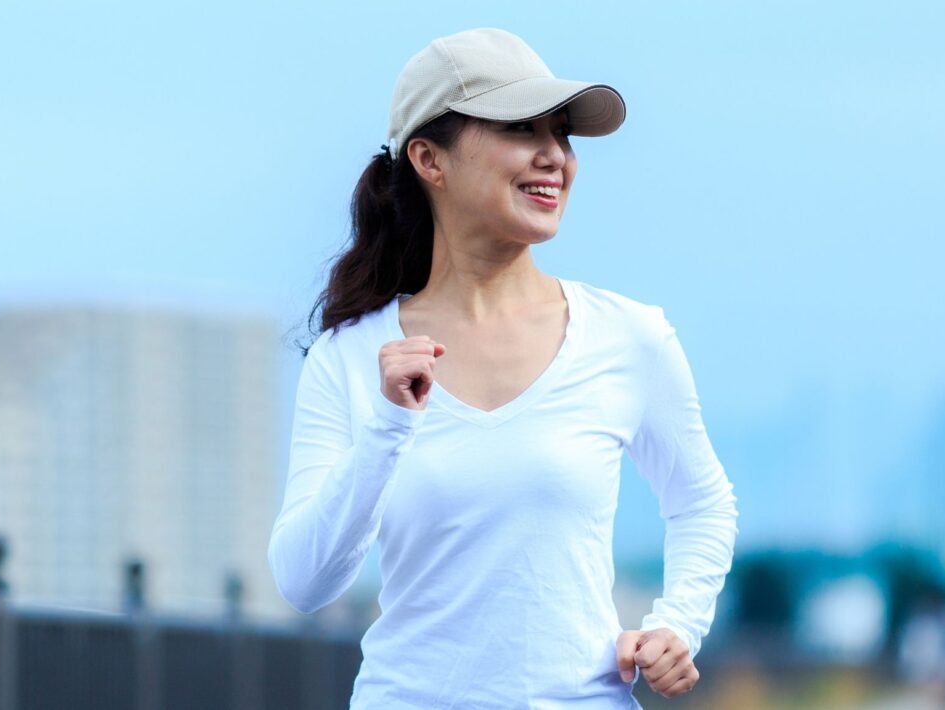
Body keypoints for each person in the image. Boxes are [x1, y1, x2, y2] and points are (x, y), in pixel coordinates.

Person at [267, 27, 739, 708]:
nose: (555, 156)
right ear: (430, 159)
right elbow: (305, 583)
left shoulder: (628, 336)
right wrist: (388, 425)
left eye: (562, 135)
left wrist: (678, 624)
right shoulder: (352, 357)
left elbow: (703, 502)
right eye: (521, 128)